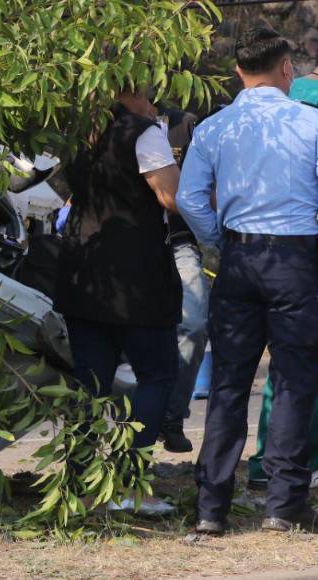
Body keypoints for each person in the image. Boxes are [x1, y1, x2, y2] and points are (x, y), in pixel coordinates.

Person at [176, 26, 318, 535]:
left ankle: (211, 508)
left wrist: (221, 240)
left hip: (239, 256)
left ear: (238, 71)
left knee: (231, 385)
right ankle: (283, 504)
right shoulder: (311, 124)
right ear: (287, 69)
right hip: (298, 260)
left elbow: (191, 198)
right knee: (294, 380)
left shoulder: (215, 128)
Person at [57, 87, 182, 514]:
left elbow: (62, 187)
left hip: (83, 269)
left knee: (90, 383)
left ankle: (76, 487)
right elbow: (171, 197)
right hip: (136, 278)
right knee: (157, 374)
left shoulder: (76, 130)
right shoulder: (142, 133)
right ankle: (134, 486)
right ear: (129, 91)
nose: (155, 102)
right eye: (150, 92)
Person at [246, 64, 318, 491]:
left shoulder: (284, 99)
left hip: (264, 248)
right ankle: (296, 464)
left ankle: (265, 464)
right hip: (305, 251)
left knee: (284, 368)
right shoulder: (308, 108)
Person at [157, 109, 211, 454]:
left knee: (194, 322)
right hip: (125, 246)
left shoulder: (184, 125)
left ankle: (171, 418)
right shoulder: (104, 124)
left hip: (178, 242)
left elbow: (195, 190)